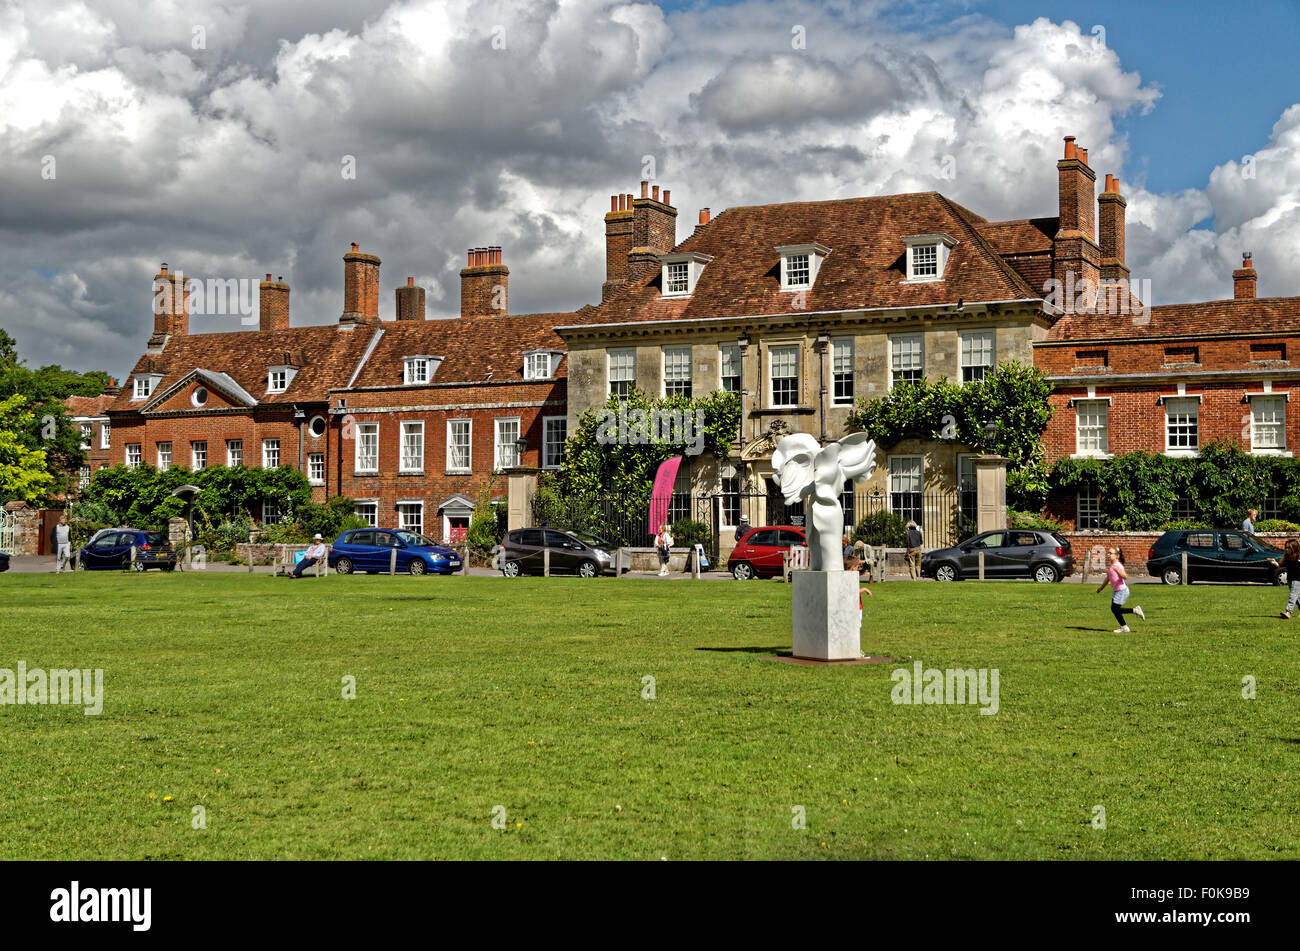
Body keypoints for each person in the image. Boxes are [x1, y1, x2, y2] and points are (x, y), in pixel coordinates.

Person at [1095, 548, 1145, 633]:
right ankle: (1124, 627)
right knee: (1115, 609)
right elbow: (1107, 579)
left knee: (1115, 609)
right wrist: (1100, 588)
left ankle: (1135, 611)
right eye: (1108, 553)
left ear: (1117, 556)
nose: (1108, 555)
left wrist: (1117, 571)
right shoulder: (1112, 566)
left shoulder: (1118, 565)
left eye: (1110, 553)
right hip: (1117, 591)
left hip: (1122, 591)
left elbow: (1125, 576)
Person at [1266, 538, 1300, 618]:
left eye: (1289, 548)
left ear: (1294, 548)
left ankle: (1288, 612)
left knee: (1292, 595)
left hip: (1298, 579)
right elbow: (1280, 565)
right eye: (1286, 547)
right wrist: (1274, 562)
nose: (1286, 549)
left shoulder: (1298, 556)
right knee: (1297, 597)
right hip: (1290, 578)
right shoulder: (1286, 556)